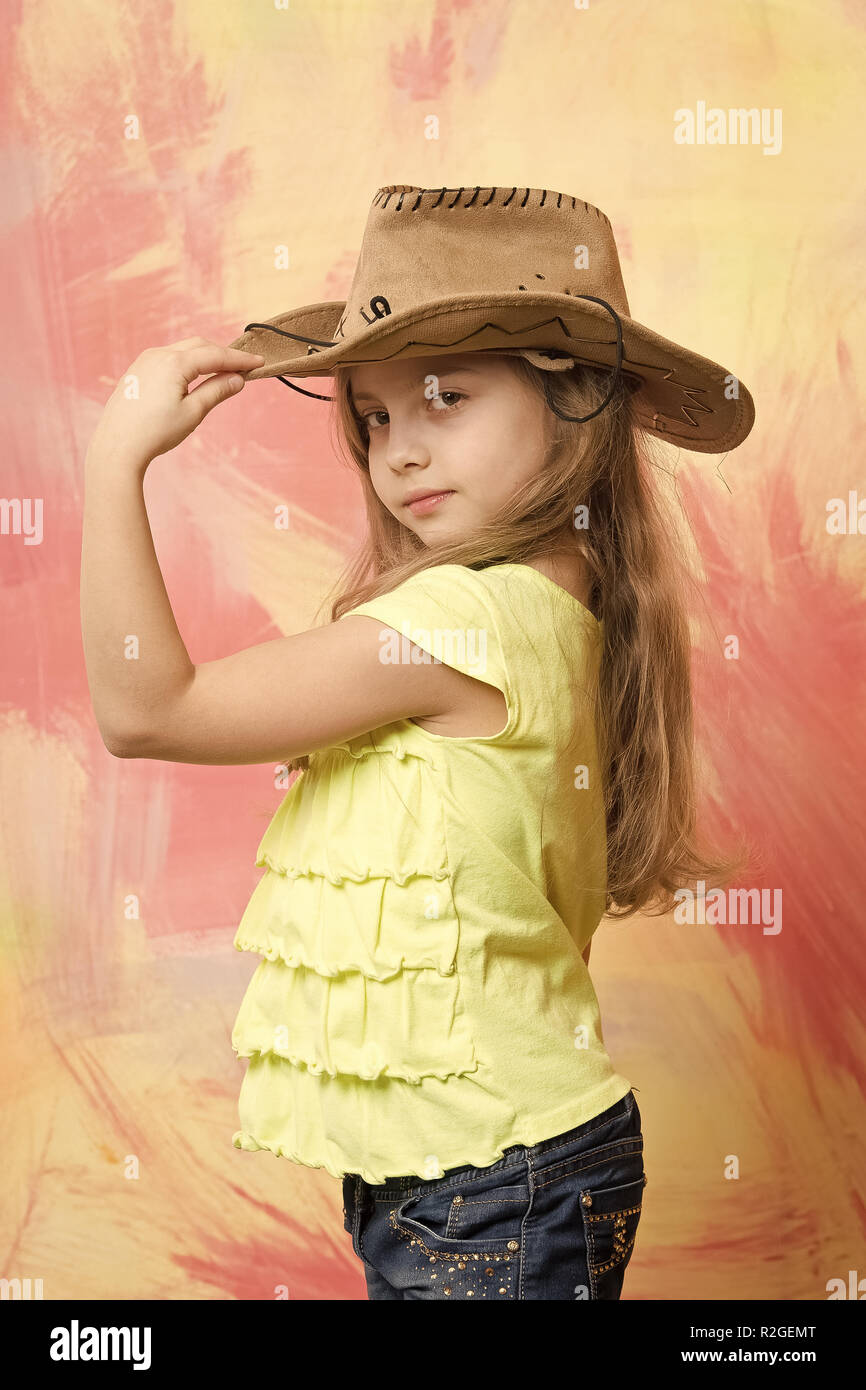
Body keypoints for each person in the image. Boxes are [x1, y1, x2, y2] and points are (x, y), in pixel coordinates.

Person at [81, 183, 755, 1300]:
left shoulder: (462, 624)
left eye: (446, 395)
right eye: (377, 416)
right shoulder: (541, 602)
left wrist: (115, 459)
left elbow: (148, 707)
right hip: (487, 1173)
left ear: (574, 399)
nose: (398, 451)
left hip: (495, 1180)